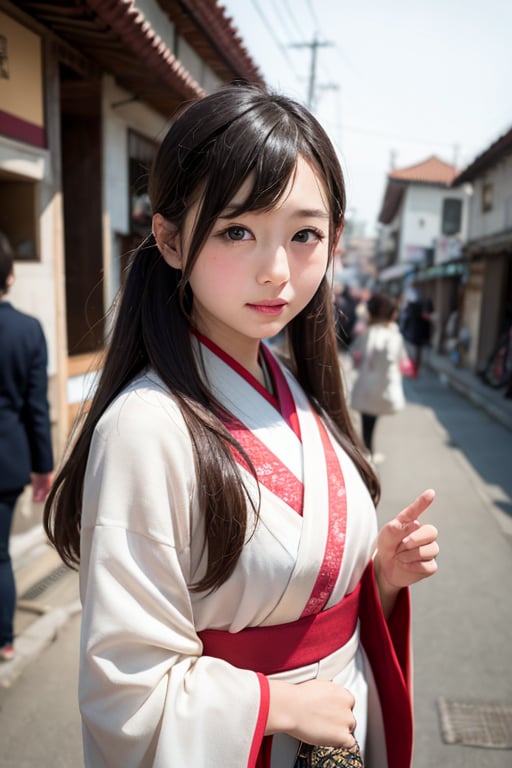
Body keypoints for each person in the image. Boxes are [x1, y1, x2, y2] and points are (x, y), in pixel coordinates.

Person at [44, 85, 439, 768]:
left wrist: (376, 579)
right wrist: (276, 705)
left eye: (305, 235)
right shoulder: (145, 428)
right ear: (169, 238)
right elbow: (124, 692)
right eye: (237, 231)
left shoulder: (296, 388)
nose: (277, 270)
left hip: (338, 722)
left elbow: (306, 602)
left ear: (334, 240)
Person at [0, 232, 54, 662]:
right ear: (11, 277)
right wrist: (43, 467)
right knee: (0, 556)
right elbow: (37, 407)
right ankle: (5, 639)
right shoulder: (27, 330)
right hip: (8, 459)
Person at [350, 292, 409, 463]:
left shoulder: (368, 333)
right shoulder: (392, 335)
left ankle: (368, 451)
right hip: (380, 387)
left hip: (365, 385)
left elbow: (356, 356)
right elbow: (395, 358)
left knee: (367, 421)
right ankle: (368, 453)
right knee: (369, 422)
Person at [399, 288, 433, 377]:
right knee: (414, 353)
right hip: (413, 334)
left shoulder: (414, 308)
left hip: (414, 334)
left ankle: (414, 369)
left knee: (414, 353)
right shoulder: (414, 308)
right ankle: (413, 369)